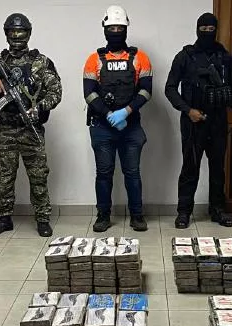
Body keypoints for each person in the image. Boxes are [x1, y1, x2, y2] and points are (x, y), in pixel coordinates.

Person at [0, 13, 62, 237]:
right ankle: (4, 218)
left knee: (38, 176)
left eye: (21, 31)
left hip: (32, 128)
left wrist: (38, 108)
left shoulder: (41, 63)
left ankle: (42, 219)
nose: (17, 35)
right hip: (6, 129)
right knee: (5, 175)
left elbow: (56, 92)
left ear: (28, 33)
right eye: (13, 31)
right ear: (6, 34)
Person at [165, 12, 232, 229]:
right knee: (190, 168)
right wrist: (187, 110)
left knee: (218, 168)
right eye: (203, 29)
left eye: (211, 30)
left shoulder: (224, 57)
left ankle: (218, 210)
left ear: (216, 30)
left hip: (218, 120)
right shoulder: (185, 56)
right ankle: (184, 212)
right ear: (197, 30)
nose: (207, 33)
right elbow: (170, 89)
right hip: (193, 122)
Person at [83, 5, 153, 232]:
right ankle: (103, 215)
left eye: (119, 28)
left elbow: (146, 91)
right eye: (111, 28)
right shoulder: (94, 59)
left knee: (132, 173)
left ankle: (137, 215)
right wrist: (109, 114)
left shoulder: (140, 58)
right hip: (102, 126)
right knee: (104, 173)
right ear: (105, 29)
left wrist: (126, 112)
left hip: (130, 126)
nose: (115, 32)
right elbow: (89, 93)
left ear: (126, 29)